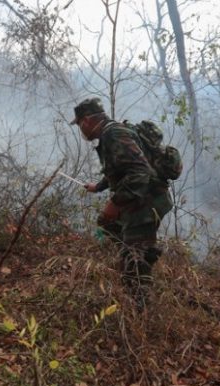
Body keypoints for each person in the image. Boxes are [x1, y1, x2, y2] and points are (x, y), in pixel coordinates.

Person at [70, 97, 173, 309]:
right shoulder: (112, 132)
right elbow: (121, 169)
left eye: (80, 124)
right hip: (143, 200)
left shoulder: (113, 134)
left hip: (145, 203)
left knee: (133, 262)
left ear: (87, 120)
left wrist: (114, 203)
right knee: (108, 225)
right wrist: (98, 187)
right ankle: (146, 252)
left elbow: (139, 172)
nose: (81, 130)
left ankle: (141, 308)